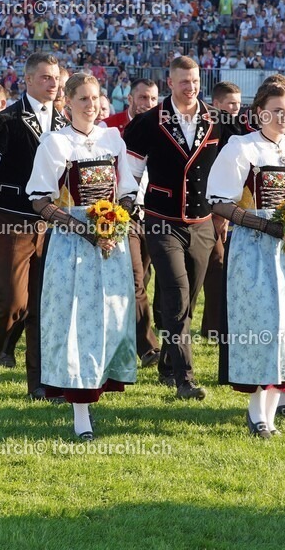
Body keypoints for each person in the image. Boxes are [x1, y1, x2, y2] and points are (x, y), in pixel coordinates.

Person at [27, 73, 139, 441]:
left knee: (108, 317)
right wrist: (86, 229)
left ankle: (99, 384)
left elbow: (126, 190)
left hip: (112, 241)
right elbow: (40, 199)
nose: (91, 106)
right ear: (67, 103)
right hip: (73, 242)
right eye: (83, 99)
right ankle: (80, 413)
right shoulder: (56, 142)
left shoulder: (112, 138)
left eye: (96, 98)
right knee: (74, 319)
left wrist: (117, 221)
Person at [207, 80, 285, 438]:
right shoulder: (242, 147)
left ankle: (271, 408)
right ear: (260, 112)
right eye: (277, 110)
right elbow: (220, 202)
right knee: (261, 324)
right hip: (254, 248)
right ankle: (256, 411)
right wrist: (265, 225)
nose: (284, 117)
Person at [124, 56, 234, 399]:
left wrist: (224, 213)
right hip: (161, 220)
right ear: (169, 83)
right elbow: (130, 174)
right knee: (175, 294)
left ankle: (168, 366)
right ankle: (185, 379)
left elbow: (232, 168)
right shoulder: (146, 123)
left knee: (190, 299)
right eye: (184, 81)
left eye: (196, 80)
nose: (191, 87)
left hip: (202, 222)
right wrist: (131, 206)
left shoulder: (218, 121)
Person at [0, 52, 68, 398]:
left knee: (44, 305)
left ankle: (39, 382)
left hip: (56, 226)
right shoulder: (6, 121)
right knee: (11, 301)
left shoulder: (65, 122)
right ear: (26, 80)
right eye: (45, 77)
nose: (53, 83)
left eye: (56, 77)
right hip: (13, 221)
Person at [102, 77, 162, 367]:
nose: (147, 104)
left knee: (144, 280)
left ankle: (125, 334)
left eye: (152, 99)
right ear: (130, 99)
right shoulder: (110, 127)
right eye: (142, 98)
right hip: (123, 212)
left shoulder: (162, 126)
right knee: (136, 280)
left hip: (154, 213)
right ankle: (148, 347)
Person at [201, 80, 242, 340]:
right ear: (216, 104)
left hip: (223, 209)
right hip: (204, 207)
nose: (236, 109)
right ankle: (213, 328)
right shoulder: (213, 130)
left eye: (238, 104)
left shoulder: (235, 130)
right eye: (231, 104)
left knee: (219, 264)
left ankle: (213, 327)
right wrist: (219, 214)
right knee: (215, 264)